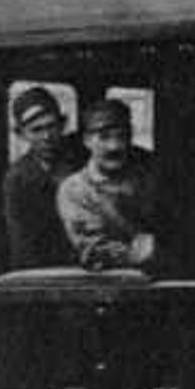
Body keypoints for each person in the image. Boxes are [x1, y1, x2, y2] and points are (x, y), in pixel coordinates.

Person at [55, 97, 165, 276]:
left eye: (122, 136)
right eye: (104, 137)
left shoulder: (149, 177)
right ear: (87, 140)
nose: (114, 146)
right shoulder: (75, 189)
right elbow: (97, 252)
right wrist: (151, 247)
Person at [0, 85, 87, 271]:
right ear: (21, 134)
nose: (46, 136)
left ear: (63, 124)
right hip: (47, 272)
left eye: (51, 126)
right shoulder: (18, 179)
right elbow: (23, 247)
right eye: (36, 130)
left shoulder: (85, 161)